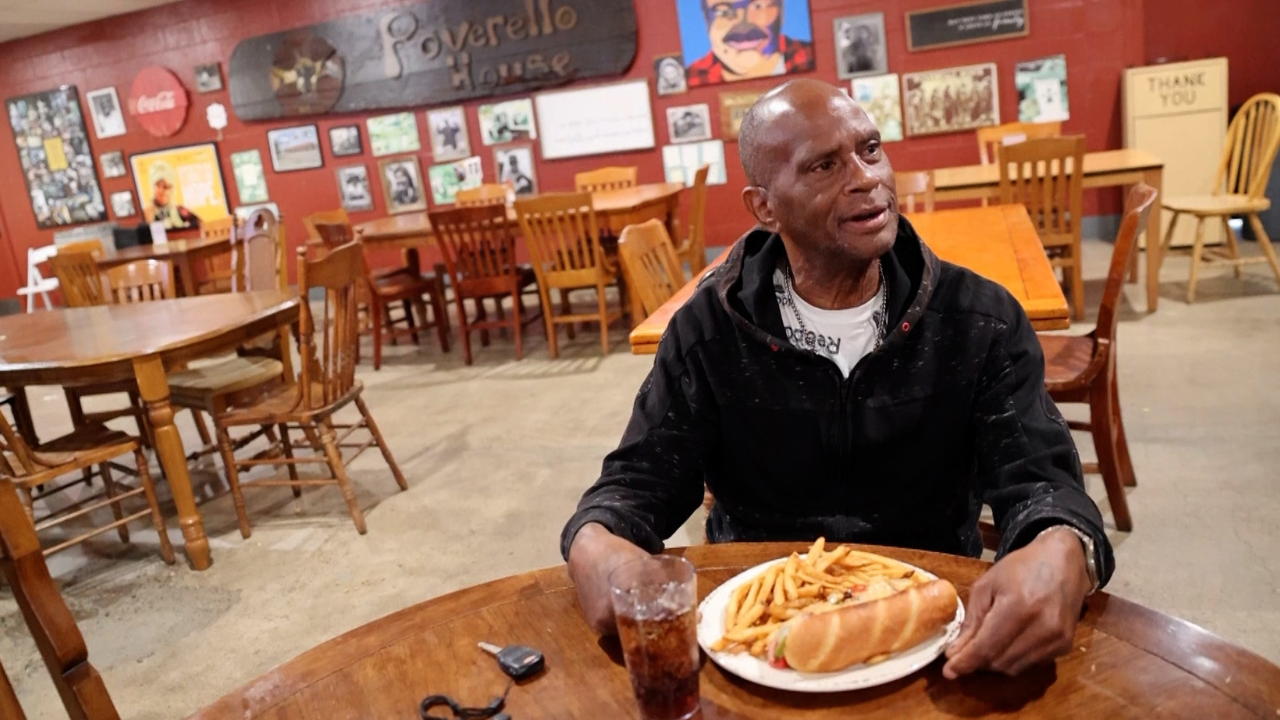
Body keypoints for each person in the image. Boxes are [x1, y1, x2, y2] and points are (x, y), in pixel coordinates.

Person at [561, 79, 1112, 679]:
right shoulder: (709, 331)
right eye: (824, 165)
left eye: (870, 149)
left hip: (934, 626)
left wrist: (1061, 544)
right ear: (765, 207)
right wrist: (594, 539)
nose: (866, 177)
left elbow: (1042, 482)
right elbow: (638, 481)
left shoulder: (978, 320)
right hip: (756, 636)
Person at [686, 0, 814, 87]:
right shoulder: (693, 77)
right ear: (706, 21)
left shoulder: (807, 56)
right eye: (723, 11)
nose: (743, 22)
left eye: (757, 6)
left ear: (781, 11)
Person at [144, 161, 199, 230]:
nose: (162, 191)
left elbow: (199, 225)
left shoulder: (180, 210)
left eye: (166, 187)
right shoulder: (146, 213)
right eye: (158, 185)